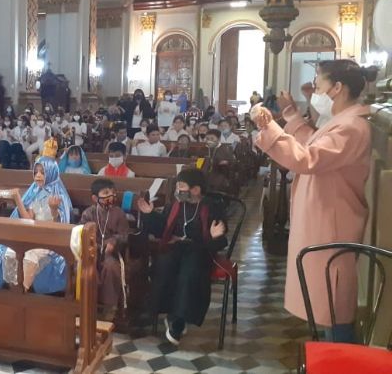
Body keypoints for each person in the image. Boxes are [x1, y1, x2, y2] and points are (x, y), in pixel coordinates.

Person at [251, 60, 377, 343]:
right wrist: (288, 116)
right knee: (326, 307)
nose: (313, 91)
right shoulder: (342, 122)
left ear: (337, 88)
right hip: (326, 218)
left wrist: (271, 129)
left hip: (332, 224)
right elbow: (313, 143)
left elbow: (308, 159)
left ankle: (340, 363)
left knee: (333, 308)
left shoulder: (351, 127)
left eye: (317, 85)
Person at [137, 168, 227, 345]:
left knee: (189, 273)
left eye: (182, 186)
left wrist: (216, 236)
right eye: (177, 187)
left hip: (200, 250)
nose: (178, 191)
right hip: (177, 247)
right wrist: (150, 214)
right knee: (163, 265)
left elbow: (220, 240)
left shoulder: (212, 207)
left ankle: (179, 319)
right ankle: (168, 312)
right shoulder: (174, 205)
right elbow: (163, 229)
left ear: (196, 189)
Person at [0, 157, 73, 293]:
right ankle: (13, 289)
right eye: (36, 172)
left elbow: (60, 227)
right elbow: (28, 219)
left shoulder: (59, 195)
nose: (38, 176)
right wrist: (17, 199)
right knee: (10, 252)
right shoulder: (35, 193)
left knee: (29, 256)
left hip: (49, 240)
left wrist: (54, 209)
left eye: (42, 172)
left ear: (51, 173)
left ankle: (22, 291)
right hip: (33, 236)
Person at [78, 178, 135, 319]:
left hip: (112, 254)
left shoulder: (119, 213)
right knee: (87, 267)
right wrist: (96, 247)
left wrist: (113, 242)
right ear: (95, 198)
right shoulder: (88, 213)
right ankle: (88, 304)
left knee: (110, 267)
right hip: (93, 251)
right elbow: (81, 232)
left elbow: (124, 235)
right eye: (105, 193)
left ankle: (110, 307)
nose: (110, 196)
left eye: (112, 192)